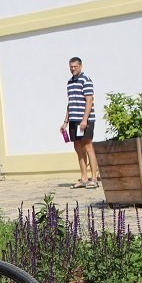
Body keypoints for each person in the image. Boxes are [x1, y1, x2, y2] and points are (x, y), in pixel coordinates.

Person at [59, 56, 100, 189]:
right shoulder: (69, 82)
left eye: (75, 66)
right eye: (71, 66)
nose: (73, 69)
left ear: (80, 66)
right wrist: (65, 121)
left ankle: (94, 178)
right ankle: (83, 178)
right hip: (73, 120)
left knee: (88, 146)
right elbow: (70, 103)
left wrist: (84, 119)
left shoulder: (86, 80)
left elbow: (89, 100)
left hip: (85, 120)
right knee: (77, 147)